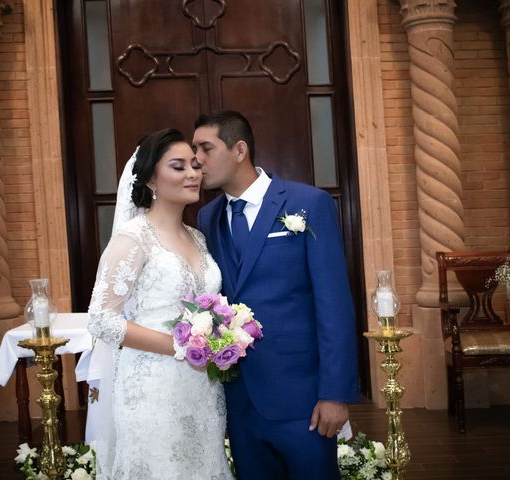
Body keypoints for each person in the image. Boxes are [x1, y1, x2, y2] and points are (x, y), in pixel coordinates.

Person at [195, 111, 359, 479]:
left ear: (240, 149)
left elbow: (333, 304)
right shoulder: (207, 218)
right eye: (194, 150)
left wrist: (335, 392)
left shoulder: (308, 204)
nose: (197, 160)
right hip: (240, 402)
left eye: (206, 148)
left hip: (304, 398)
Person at [87, 128, 233, 479]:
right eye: (178, 166)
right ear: (151, 178)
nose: (193, 174)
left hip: (202, 387)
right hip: (151, 389)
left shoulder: (197, 238)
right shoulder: (133, 239)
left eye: (195, 166)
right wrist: (183, 347)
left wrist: (220, 336)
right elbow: (102, 320)